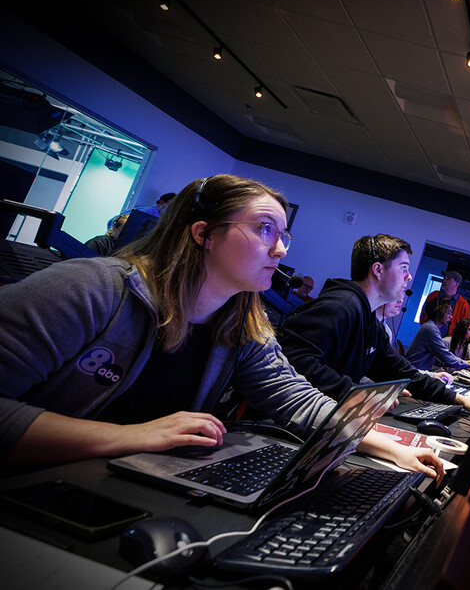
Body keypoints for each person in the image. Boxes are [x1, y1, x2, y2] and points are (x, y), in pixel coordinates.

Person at [0, 175, 443, 479]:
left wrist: (393, 449)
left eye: (283, 235)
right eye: (265, 229)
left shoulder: (242, 322)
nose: (281, 251)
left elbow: (298, 401)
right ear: (203, 234)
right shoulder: (92, 288)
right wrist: (131, 437)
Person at [278, 234, 470, 413]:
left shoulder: (369, 322)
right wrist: (360, 395)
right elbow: (294, 362)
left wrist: (458, 399)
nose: (409, 276)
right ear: (377, 269)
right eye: (403, 267)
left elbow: (402, 371)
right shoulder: (340, 307)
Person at [406, 298, 470, 373]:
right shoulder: (431, 329)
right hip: (413, 373)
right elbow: (445, 356)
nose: (451, 316)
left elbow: (437, 360)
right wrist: (466, 363)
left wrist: (466, 362)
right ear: (438, 312)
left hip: (417, 371)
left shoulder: (431, 327)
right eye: (448, 313)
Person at [420, 270, 470, 337]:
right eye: (445, 278)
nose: (444, 281)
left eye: (448, 279)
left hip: (446, 343)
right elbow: (423, 314)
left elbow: (465, 328)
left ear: (456, 284)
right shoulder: (433, 295)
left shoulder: (463, 305)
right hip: (426, 336)